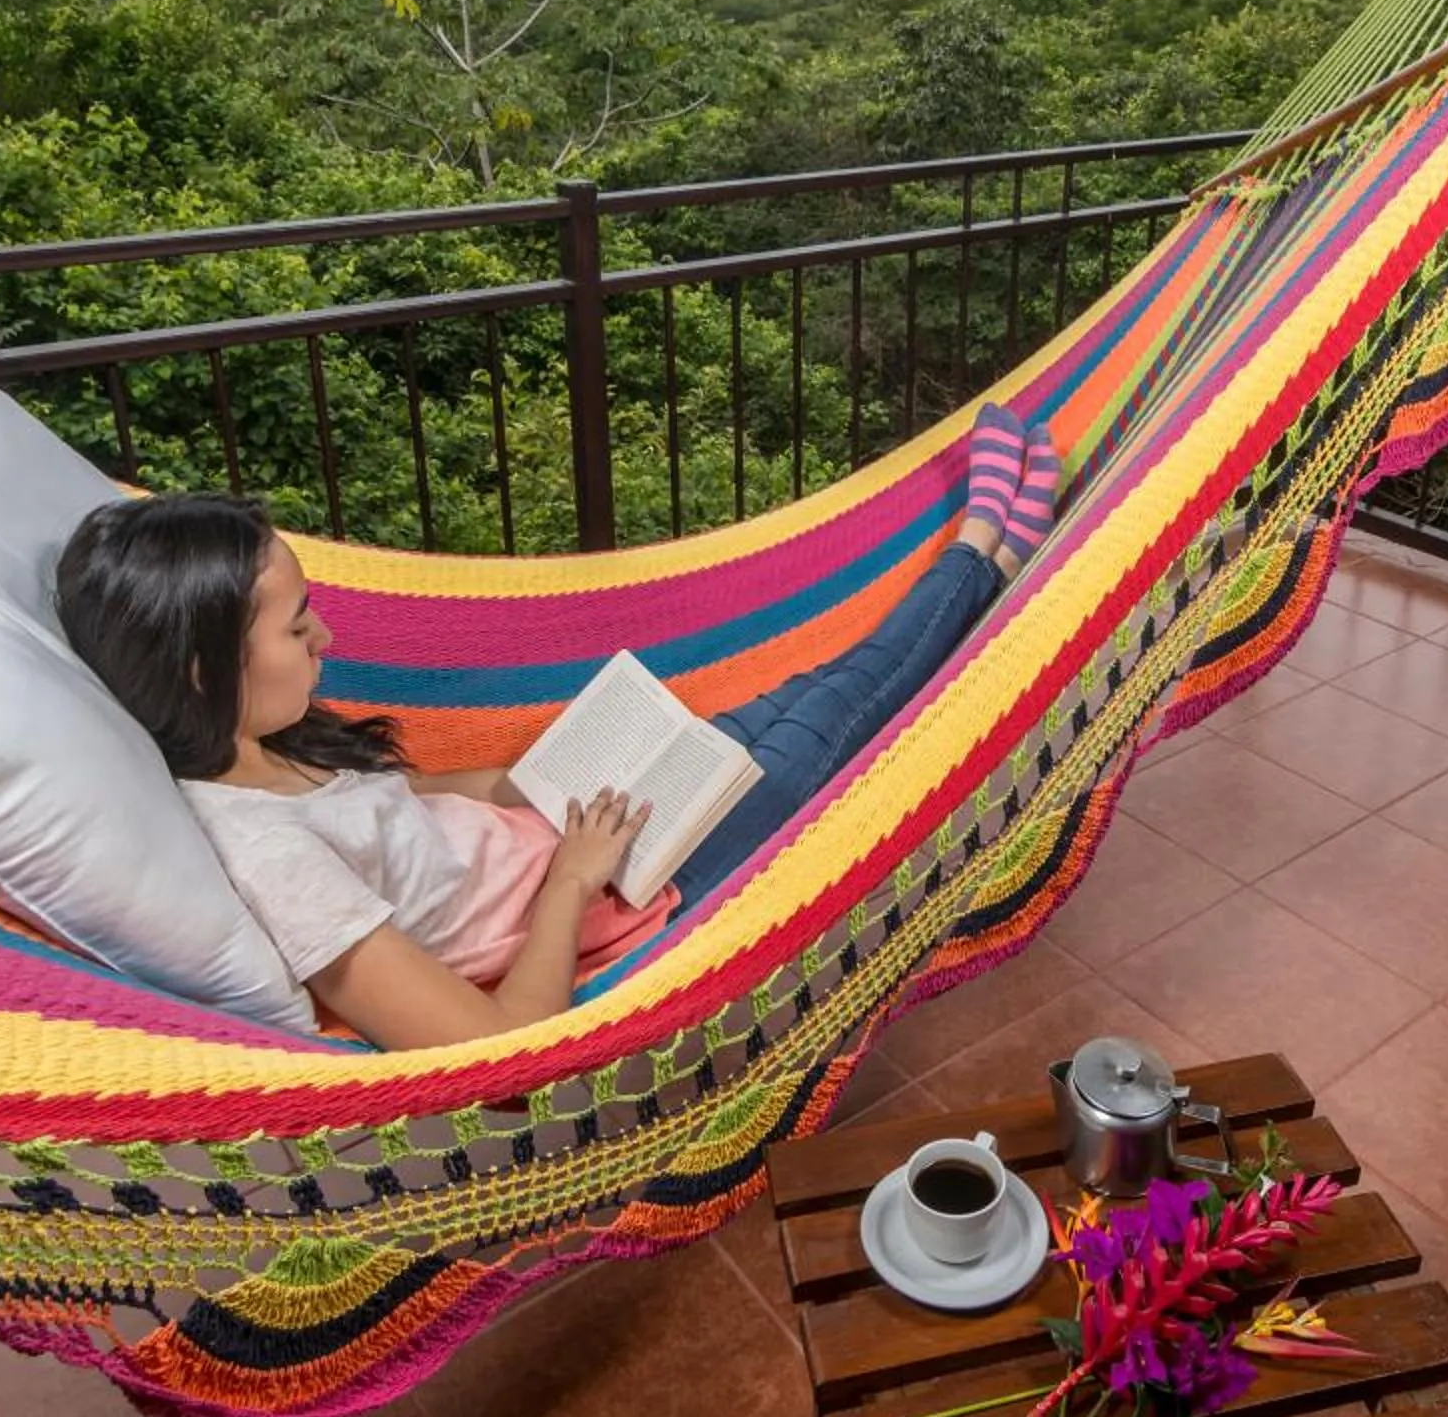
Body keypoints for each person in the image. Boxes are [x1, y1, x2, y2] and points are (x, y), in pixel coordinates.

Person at [53, 406, 1064, 1051]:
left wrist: (554, 765)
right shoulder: (270, 862)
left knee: (821, 680)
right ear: (201, 667)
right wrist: (576, 872)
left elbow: (432, 806)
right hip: (632, 877)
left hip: (598, 819)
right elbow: (497, 1045)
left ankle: (988, 549)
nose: (324, 628)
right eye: (293, 619)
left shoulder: (265, 749)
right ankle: (991, 546)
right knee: (861, 701)